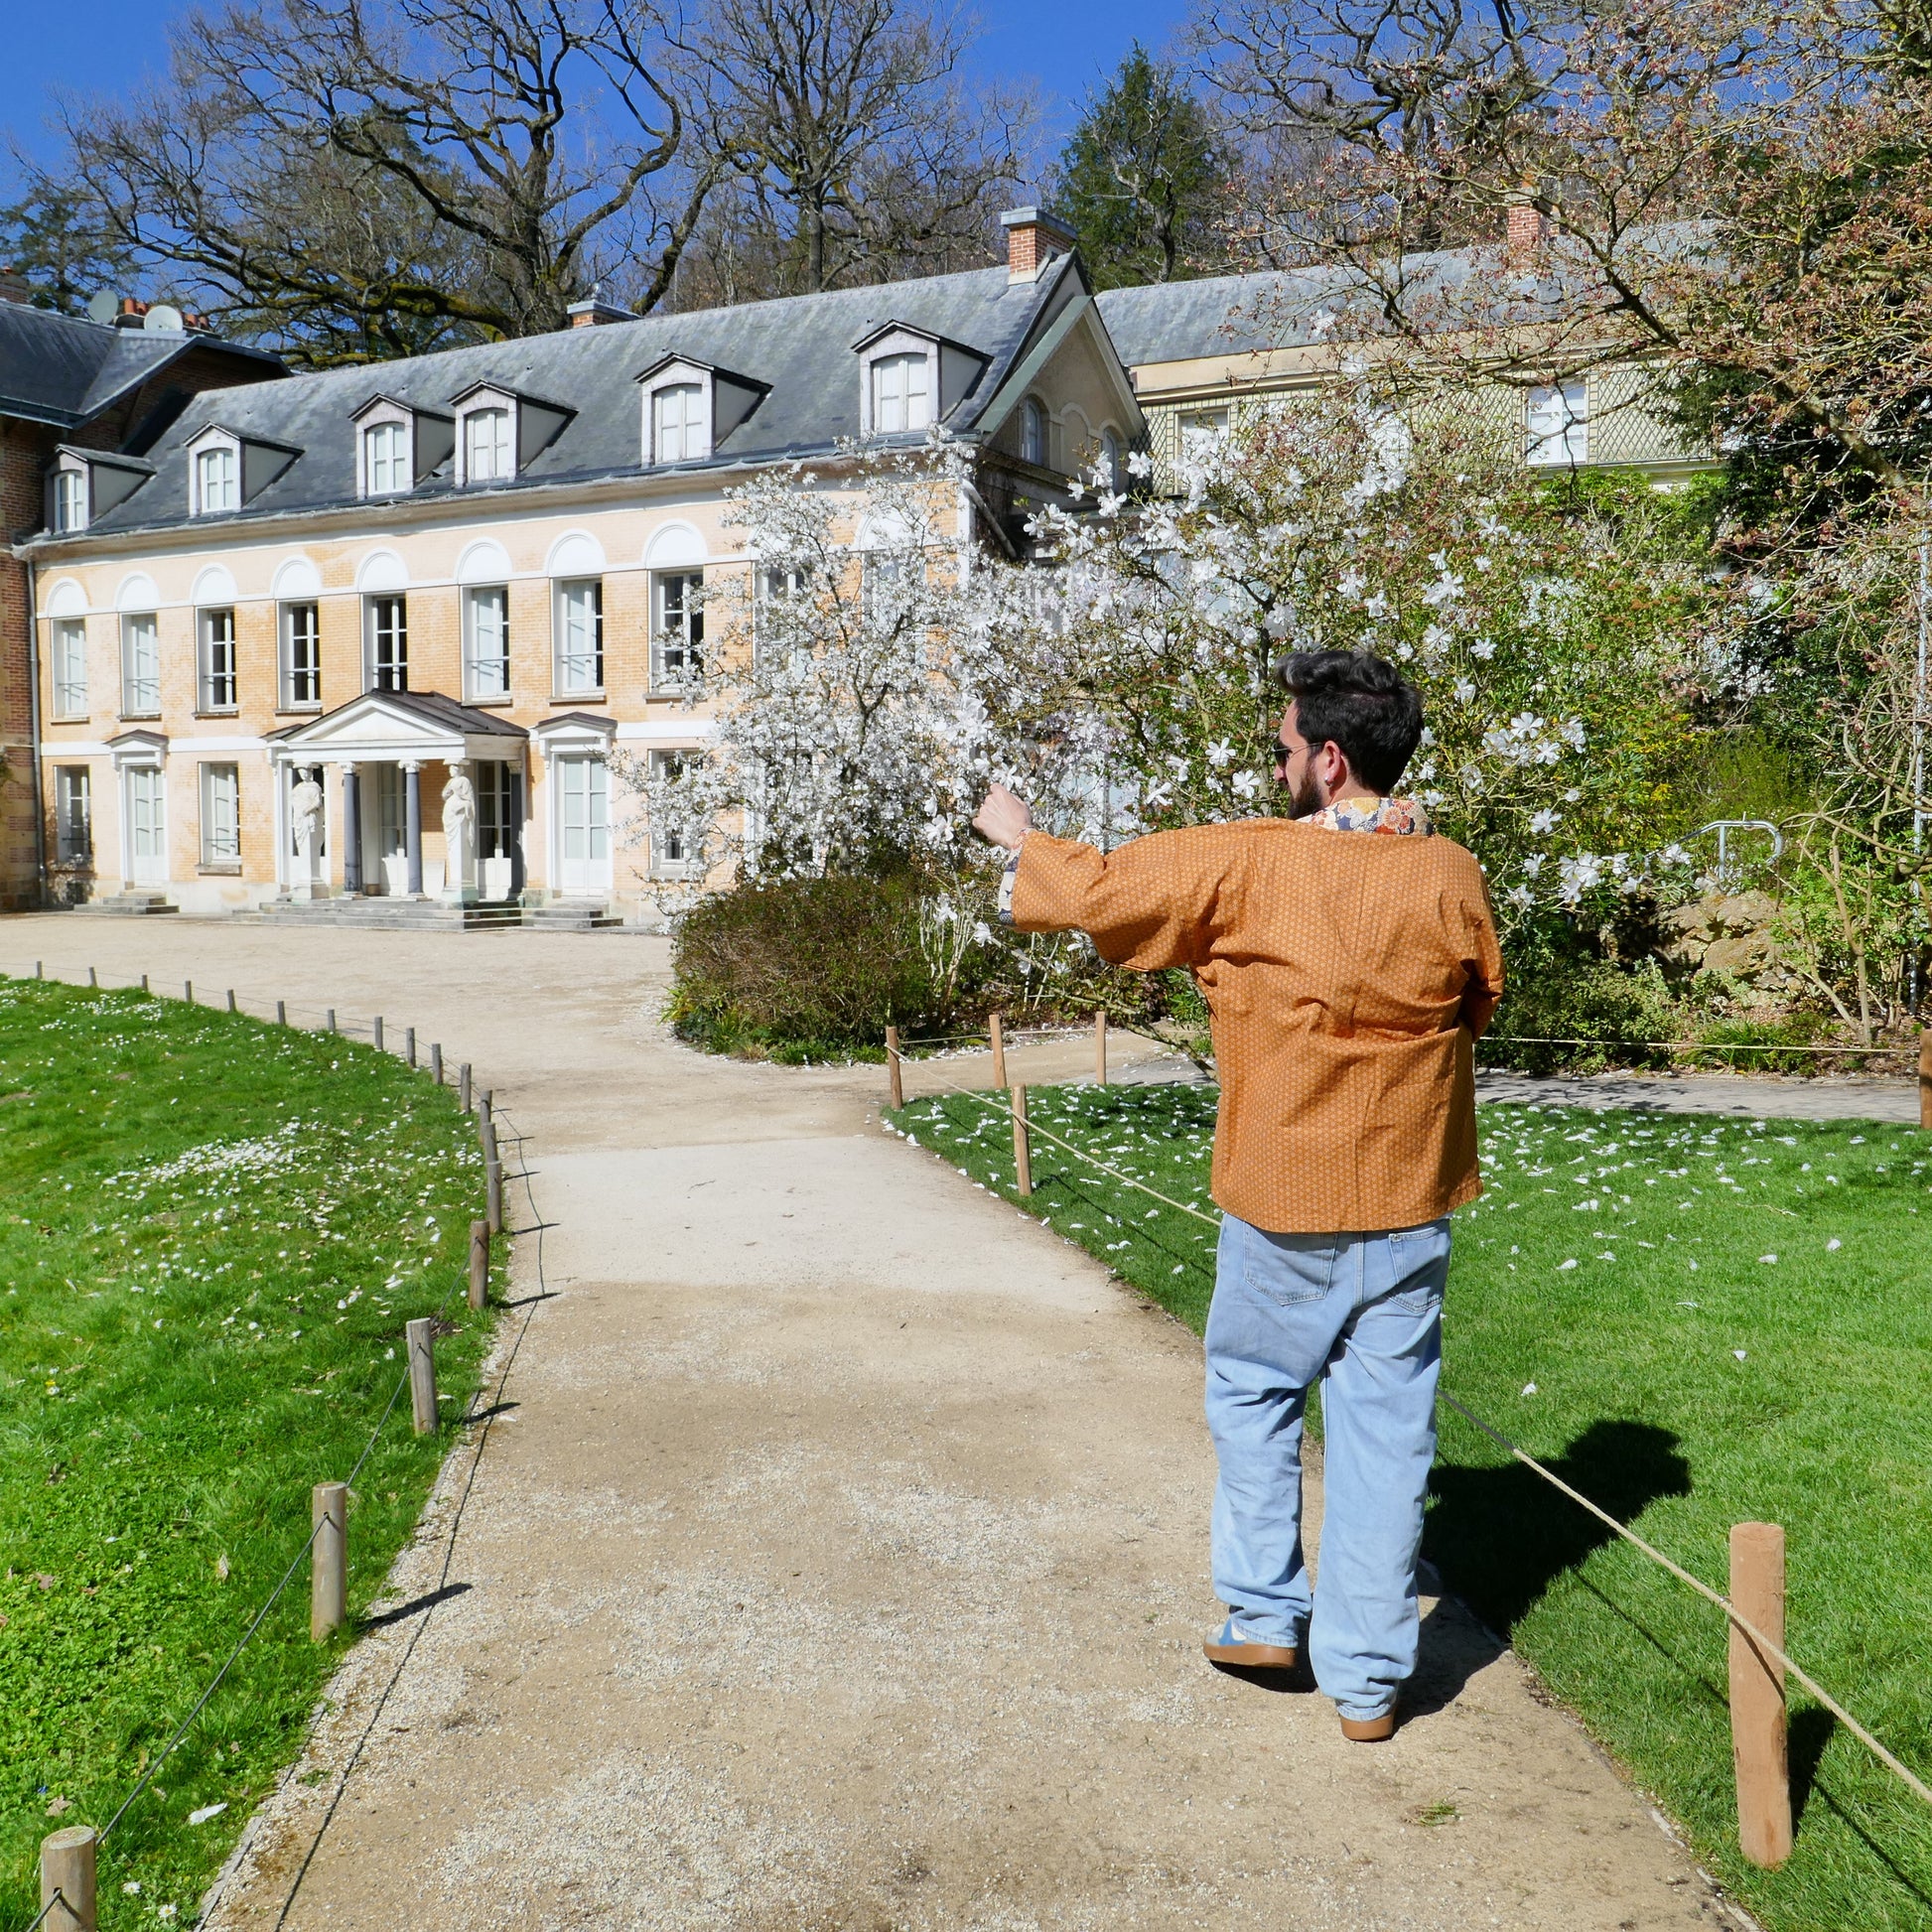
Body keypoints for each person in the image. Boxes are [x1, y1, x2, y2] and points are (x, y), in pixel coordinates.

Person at [972, 648, 1503, 1741]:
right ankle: (1365, 1687)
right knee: (1386, 1436)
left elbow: (1101, 888)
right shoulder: (1452, 872)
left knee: (1256, 1394)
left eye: (1282, 752)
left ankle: (1263, 1610)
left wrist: (1018, 834)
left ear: (1328, 758)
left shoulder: (1247, 863)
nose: (1274, 771)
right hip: (1409, 1198)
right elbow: (1477, 1002)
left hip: (1282, 1196)